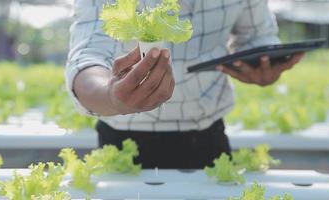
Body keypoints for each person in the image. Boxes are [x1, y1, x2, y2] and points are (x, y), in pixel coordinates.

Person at [65, 0, 304, 169]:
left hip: (208, 137)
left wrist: (263, 62)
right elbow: (89, 55)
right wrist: (110, 95)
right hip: (124, 142)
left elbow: (256, 34)